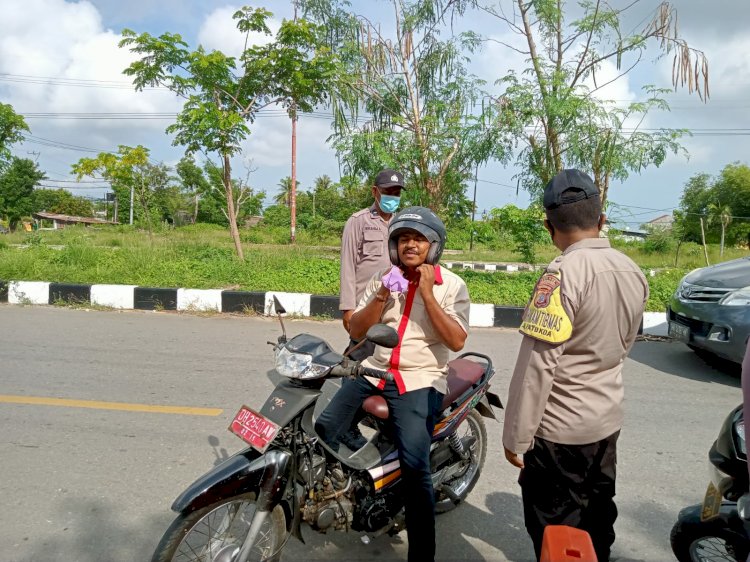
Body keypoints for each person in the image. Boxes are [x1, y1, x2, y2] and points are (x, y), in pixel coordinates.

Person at [502, 169, 649, 562]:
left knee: (557, 532)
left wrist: (516, 438)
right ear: (601, 221)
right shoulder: (633, 270)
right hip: (606, 423)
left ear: (550, 226)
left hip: (560, 435)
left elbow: (537, 366)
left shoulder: (561, 274)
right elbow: (625, 344)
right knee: (598, 516)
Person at [316, 206, 470, 562]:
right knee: (325, 428)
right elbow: (356, 331)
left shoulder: (452, 286)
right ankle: (354, 483)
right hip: (375, 369)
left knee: (416, 471)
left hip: (420, 378)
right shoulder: (385, 278)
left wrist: (429, 294)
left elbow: (457, 341)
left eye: (418, 239)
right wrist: (383, 294)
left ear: (434, 245)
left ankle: (422, 555)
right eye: (402, 239)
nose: (410, 245)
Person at [337, 169, 404, 449]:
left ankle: (384, 427)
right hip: (366, 307)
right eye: (388, 192)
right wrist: (347, 309)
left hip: (396, 308)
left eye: (397, 193)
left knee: (389, 366)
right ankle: (345, 426)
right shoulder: (359, 222)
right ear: (375, 192)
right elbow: (348, 265)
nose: (392, 197)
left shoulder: (404, 222)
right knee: (354, 366)